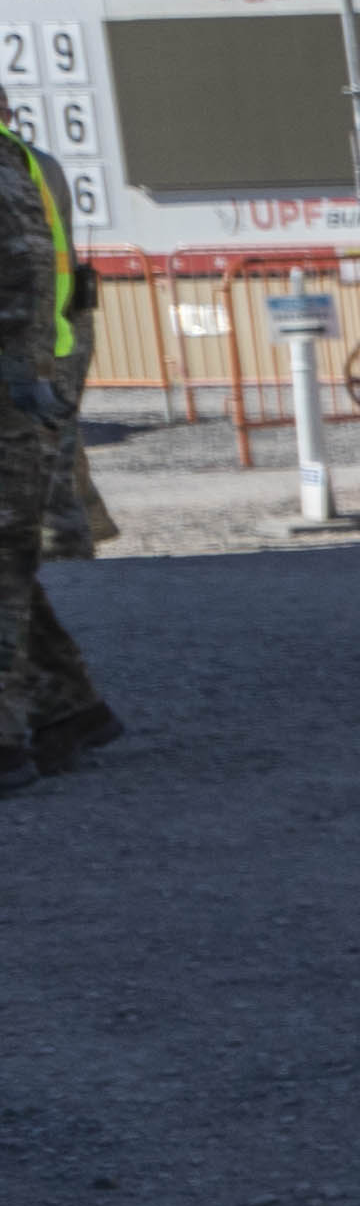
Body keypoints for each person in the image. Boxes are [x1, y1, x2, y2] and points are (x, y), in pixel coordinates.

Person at [0, 108, 105, 788]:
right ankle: (69, 710)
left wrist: (20, 374)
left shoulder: (13, 169)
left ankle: (7, 740)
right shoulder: (27, 163)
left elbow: (28, 278)